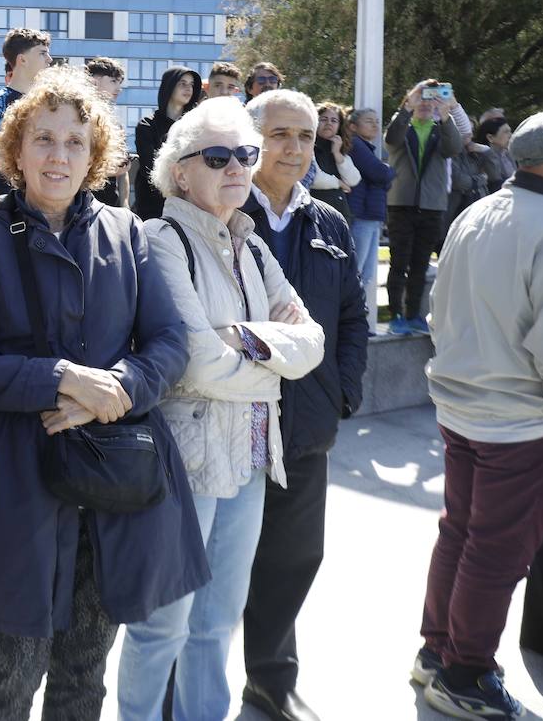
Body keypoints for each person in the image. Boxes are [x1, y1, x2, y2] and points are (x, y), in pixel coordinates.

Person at [0, 65, 203, 719]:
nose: (59, 155)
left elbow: (171, 342)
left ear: (97, 154)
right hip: (16, 499)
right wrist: (61, 377)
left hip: (110, 497)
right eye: (45, 139)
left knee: (84, 681)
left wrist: (118, 385)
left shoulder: (128, 234)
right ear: (16, 149)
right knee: (6, 686)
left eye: (75, 142)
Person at [118, 98, 324, 721]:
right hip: (187, 460)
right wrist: (269, 360)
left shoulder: (254, 246)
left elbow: (311, 342)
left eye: (245, 154)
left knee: (218, 623)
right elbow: (196, 363)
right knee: (163, 626)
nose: (237, 167)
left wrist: (241, 338)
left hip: (253, 454)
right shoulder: (162, 239)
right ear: (181, 171)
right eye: (217, 156)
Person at [413, 109, 543, 721]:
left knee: (460, 533)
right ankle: (465, 672)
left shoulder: (479, 211)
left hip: (461, 404)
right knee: (495, 552)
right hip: (521, 419)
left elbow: (436, 310)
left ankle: (437, 653)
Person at [239, 89, 369, 721]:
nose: (294, 148)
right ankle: (190, 680)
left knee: (294, 558)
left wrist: (344, 390)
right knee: (220, 562)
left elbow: (352, 313)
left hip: (308, 423)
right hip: (234, 421)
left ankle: (270, 676)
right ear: (251, 137)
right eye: (280, 134)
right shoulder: (222, 208)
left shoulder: (330, 222)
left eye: (305, 136)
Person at [382, 79, 464, 336]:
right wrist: (408, 107)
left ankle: (413, 313)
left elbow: (454, 148)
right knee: (399, 262)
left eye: (433, 98)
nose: (427, 103)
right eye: (423, 97)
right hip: (402, 205)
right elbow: (392, 139)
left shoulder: (441, 128)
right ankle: (395, 314)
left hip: (431, 207)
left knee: (420, 264)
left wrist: (447, 113)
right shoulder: (402, 125)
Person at [0, 28, 52, 204]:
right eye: (42, 53)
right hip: (14, 205)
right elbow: (1, 161)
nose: (49, 59)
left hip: (48, 202)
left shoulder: (49, 102)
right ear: (22, 59)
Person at [346, 108, 395, 335]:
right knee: (357, 273)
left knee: (366, 274)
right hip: (362, 215)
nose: (375, 125)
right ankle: (350, 322)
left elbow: (381, 177)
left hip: (372, 216)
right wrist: (386, 172)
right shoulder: (356, 145)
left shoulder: (368, 148)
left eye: (377, 121)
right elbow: (379, 174)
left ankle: (357, 322)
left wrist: (384, 175)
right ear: (353, 126)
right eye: (369, 121)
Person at [133, 66, 203, 220]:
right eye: (182, 83)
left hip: (189, 209)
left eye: (191, 84)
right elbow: (149, 168)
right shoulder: (147, 125)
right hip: (153, 209)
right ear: (169, 86)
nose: (188, 88)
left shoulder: (196, 127)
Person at [85, 56, 131, 208]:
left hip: (112, 204)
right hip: (83, 202)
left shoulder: (115, 124)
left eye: (119, 82)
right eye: (113, 81)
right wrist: (108, 171)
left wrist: (125, 203)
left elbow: (123, 171)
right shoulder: (80, 119)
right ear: (94, 81)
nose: (119, 88)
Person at [308, 103, 360, 224]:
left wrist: (337, 153)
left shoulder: (339, 148)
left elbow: (353, 180)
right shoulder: (308, 146)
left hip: (340, 215)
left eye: (334, 120)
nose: (329, 123)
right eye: (324, 119)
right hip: (315, 213)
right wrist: (339, 183)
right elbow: (313, 178)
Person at [468, 117, 516, 195]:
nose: (511, 135)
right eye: (506, 132)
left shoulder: (508, 154)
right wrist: (488, 152)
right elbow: (495, 180)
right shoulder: (480, 156)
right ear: (490, 137)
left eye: (510, 131)